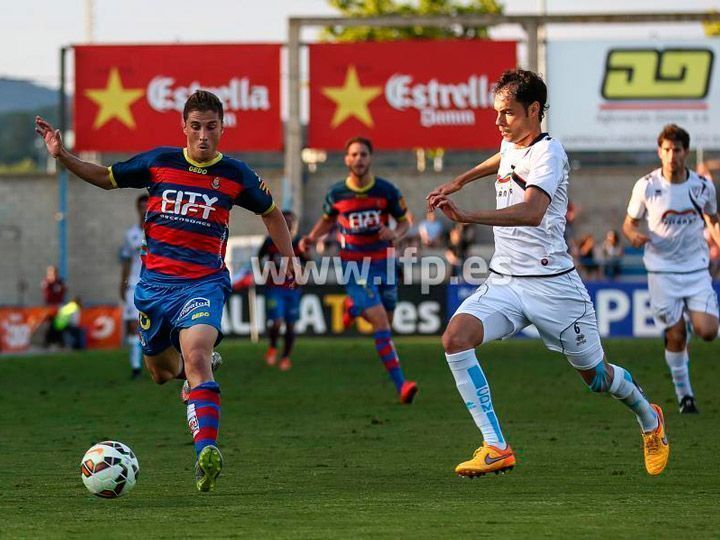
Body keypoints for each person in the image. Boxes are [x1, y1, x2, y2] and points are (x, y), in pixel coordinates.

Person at [35, 90, 296, 492]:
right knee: (161, 373)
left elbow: (271, 213)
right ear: (184, 128)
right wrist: (64, 156)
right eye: (196, 127)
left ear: (222, 128)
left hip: (204, 283)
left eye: (211, 127)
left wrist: (290, 257)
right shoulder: (160, 161)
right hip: (154, 289)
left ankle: (205, 452)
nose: (204, 136)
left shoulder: (237, 174)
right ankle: (193, 380)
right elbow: (106, 178)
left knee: (196, 356)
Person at [426, 69, 668, 477]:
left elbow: (533, 212)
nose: (498, 122)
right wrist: (460, 181)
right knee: (455, 338)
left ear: (534, 110)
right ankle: (495, 445)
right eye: (497, 112)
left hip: (554, 288)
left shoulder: (550, 154)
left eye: (507, 113)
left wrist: (467, 216)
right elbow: (503, 157)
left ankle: (650, 416)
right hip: (505, 281)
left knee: (596, 377)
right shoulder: (512, 142)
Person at [300, 136, 418, 404]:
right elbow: (327, 220)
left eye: (363, 154)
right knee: (380, 321)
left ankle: (353, 307)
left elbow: (404, 222)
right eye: (353, 154)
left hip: (384, 262)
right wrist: (312, 237)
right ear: (346, 159)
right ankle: (402, 384)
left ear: (370, 158)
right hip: (354, 264)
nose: (358, 159)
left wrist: (395, 233)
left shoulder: (387, 191)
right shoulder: (336, 194)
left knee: (388, 315)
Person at [622, 124, 720, 414]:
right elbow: (629, 223)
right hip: (661, 272)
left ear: (685, 152)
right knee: (676, 335)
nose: (671, 155)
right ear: (659, 151)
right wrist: (633, 236)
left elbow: (712, 219)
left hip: (695, 270)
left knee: (708, 331)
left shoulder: (702, 186)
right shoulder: (647, 186)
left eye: (677, 150)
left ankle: (689, 324)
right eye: (666, 149)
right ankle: (684, 396)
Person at [258, 210, 307, 371]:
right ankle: (272, 347)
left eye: (292, 221)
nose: (289, 224)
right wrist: (263, 274)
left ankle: (285, 358)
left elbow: (309, 262)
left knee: (291, 325)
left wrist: (301, 277)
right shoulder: (270, 241)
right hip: (275, 288)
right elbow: (259, 257)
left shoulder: (300, 242)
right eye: (286, 221)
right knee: (277, 322)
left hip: (292, 290)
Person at [119, 195, 148, 379]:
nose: (144, 209)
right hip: (134, 284)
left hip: (155, 283)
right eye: (142, 206)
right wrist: (122, 283)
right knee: (132, 325)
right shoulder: (131, 235)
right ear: (137, 208)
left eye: (148, 205)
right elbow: (127, 261)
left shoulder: (160, 231)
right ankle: (136, 367)